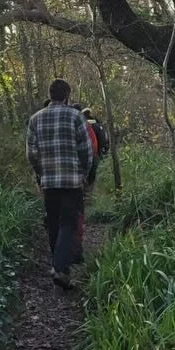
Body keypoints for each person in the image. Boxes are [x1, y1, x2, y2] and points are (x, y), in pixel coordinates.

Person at [27, 79, 91, 289]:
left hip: (49, 181)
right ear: (67, 95)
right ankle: (61, 269)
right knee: (68, 223)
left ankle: (57, 264)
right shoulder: (76, 116)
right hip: (71, 180)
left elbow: (32, 154)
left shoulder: (35, 119)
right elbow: (85, 151)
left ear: (50, 94)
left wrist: (40, 175)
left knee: (53, 221)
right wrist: (84, 173)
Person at [73, 108, 107, 263]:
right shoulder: (91, 124)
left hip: (52, 180)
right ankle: (88, 198)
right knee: (76, 212)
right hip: (81, 171)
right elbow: (92, 146)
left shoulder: (39, 120)